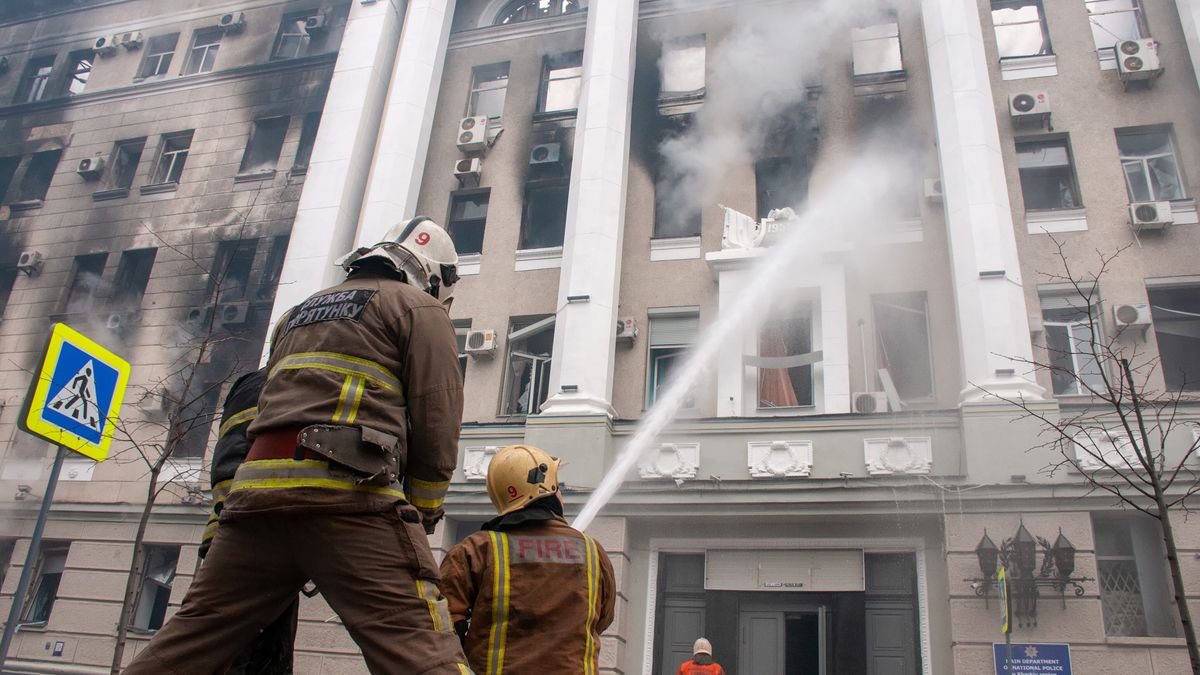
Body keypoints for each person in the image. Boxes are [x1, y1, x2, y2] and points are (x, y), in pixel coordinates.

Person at [124, 217, 471, 675]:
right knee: (422, 649)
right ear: (433, 275)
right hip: (349, 496)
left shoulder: (297, 313)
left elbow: (267, 401)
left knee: (192, 641)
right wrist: (422, 511)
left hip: (254, 504)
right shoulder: (417, 309)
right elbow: (437, 417)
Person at [439, 444, 616, 674]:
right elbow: (602, 620)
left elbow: (442, 629)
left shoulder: (475, 550)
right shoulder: (593, 552)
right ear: (549, 488)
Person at [201, 366, 299, 675]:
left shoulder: (257, 382)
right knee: (245, 657)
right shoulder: (279, 382)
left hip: (241, 535)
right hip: (255, 537)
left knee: (252, 653)